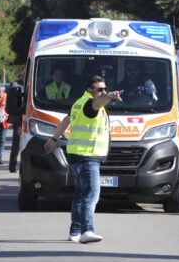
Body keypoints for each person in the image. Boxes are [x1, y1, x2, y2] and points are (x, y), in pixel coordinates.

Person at [44, 76, 123, 244]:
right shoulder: (89, 104)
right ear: (90, 90)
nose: (103, 91)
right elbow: (97, 102)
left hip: (77, 155)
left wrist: (53, 139)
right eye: (99, 89)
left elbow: (66, 120)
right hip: (88, 156)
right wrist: (109, 96)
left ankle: (75, 232)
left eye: (105, 88)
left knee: (80, 195)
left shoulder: (78, 103)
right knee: (92, 194)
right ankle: (87, 230)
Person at [7, 77, 24, 173]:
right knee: (16, 143)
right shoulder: (16, 85)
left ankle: (22, 166)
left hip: (28, 117)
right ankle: (12, 165)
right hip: (18, 118)